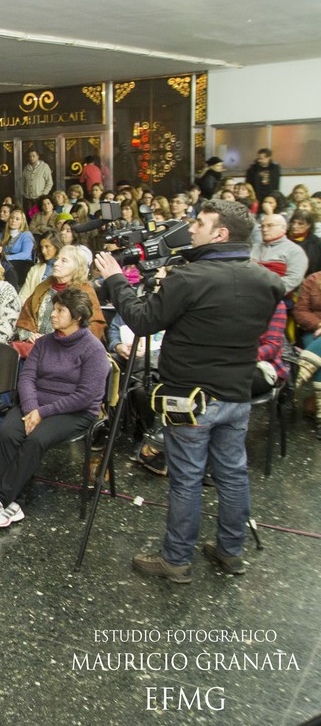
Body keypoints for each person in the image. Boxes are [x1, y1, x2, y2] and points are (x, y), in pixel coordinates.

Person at [94, 199, 284, 582]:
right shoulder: (267, 280)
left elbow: (143, 320)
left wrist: (116, 279)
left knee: (187, 479)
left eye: (199, 222)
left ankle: (176, 560)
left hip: (191, 400)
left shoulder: (190, 278)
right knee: (233, 476)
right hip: (237, 396)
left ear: (221, 233)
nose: (191, 228)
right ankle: (231, 552)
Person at [0, 288, 110, 528]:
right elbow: (27, 379)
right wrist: (32, 407)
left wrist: (41, 413)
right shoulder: (45, 342)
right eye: (53, 309)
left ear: (77, 317)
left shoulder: (93, 349)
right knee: (6, 433)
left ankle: (0, 498)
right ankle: (16, 503)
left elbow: (86, 396)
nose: (52, 315)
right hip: (36, 404)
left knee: (35, 439)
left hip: (74, 411)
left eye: (59, 310)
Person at [14, 245, 107, 344]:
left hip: (68, 349)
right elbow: (26, 317)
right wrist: (31, 336)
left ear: (77, 266)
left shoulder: (84, 291)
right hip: (36, 345)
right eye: (57, 259)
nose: (56, 263)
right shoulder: (43, 287)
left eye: (64, 261)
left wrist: (57, 339)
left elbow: (94, 326)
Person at [252, 213, 307, 294]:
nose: (264, 229)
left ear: (283, 228)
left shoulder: (295, 251)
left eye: (270, 225)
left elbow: (293, 279)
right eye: (262, 226)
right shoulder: (253, 247)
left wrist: (266, 292)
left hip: (276, 297)